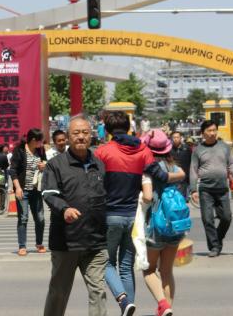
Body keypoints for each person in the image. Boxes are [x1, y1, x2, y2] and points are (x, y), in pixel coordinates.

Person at [94, 111, 184, 315]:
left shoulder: (102, 152)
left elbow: (94, 182)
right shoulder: (143, 150)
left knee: (106, 262)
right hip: (132, 218)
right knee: (126, 266)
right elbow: (160, 175)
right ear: (128, 128)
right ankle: (129, 308)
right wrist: (180, 174)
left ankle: (124, 302)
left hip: (110, 215)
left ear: (107, 130)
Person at [42, 115, 108, 316]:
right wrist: (65, 209)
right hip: (66, 242)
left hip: (96, 242)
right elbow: (49, 193)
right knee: (59, 293)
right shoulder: (56, 164)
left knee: (98, 291)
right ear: (68, 137)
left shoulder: (100, 164)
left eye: (85, 133)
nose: (81, 137)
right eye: (76, 133)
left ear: (92, 136)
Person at [141, 129, 186, 316]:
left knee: (149, 270)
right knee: (167, 271)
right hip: (176, 226)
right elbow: (182, 175)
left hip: (155, 226)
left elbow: (148, 196)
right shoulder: (173, 167)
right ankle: (168, 308)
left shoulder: (149, 170)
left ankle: (163, 305)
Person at [189, 120, 233, 257]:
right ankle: (214, 247)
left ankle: (217, 237)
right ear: (203, 133)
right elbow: (193, 170)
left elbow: (231, 164)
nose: (212, 133)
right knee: (207, 219)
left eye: (214, 130)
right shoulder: (198, 150)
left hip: (222, 188)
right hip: (205, 189)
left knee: (227, 217)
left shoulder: (224, 147)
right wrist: (193, 189)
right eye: (209, 131)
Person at [9, 128, 47, 256]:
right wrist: (18, 188)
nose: (41, 143)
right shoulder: (19, 151)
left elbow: (45, 163)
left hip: (37, 190)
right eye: (39, 141)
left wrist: (44, 165)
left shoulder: (40, 151)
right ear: (33, 140)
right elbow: (12, 170)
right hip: (23, 190)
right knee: (23, 218)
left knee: (40, 218)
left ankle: (39, 243)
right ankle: (22, 245)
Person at [170, 131, 192, 198]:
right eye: (174, 137)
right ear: (171, 138)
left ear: (180, 138)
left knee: (183, 197)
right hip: (174, 176)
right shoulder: (169, 149)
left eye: (177, 137)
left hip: (185, 176)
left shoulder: (187, 148)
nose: (176, 139)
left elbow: (191, 161)